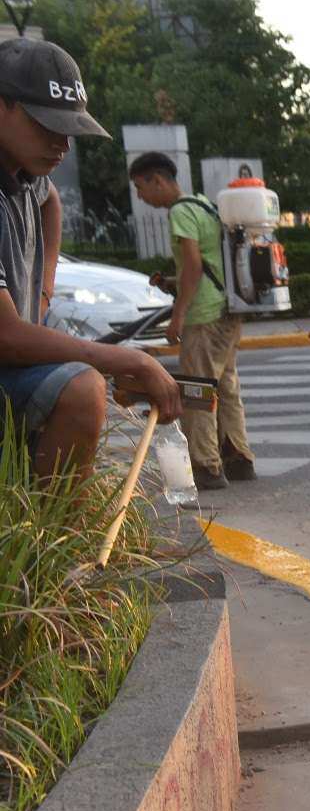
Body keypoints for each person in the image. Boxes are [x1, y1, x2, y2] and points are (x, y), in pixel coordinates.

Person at [0, 39, 179, 481]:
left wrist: (42, 292)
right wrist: (129, 361)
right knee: (82, 390)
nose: (62, 145)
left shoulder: (25, 174)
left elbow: (51, 202)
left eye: (69, 129)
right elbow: (5, 336)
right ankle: (48, 543)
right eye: (47, 126)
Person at [130, 151, 255, 490]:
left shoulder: (181, 213)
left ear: (158, 180)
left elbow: (195, 268)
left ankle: (206, 467)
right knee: (226, 386)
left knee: (198, 392)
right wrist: (172, 283)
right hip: (226, 311)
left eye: (141, 187)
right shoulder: (203, 205)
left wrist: (177, 316)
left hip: (203, 316)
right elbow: (204, 265)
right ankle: (239, 459)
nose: (140, 196)